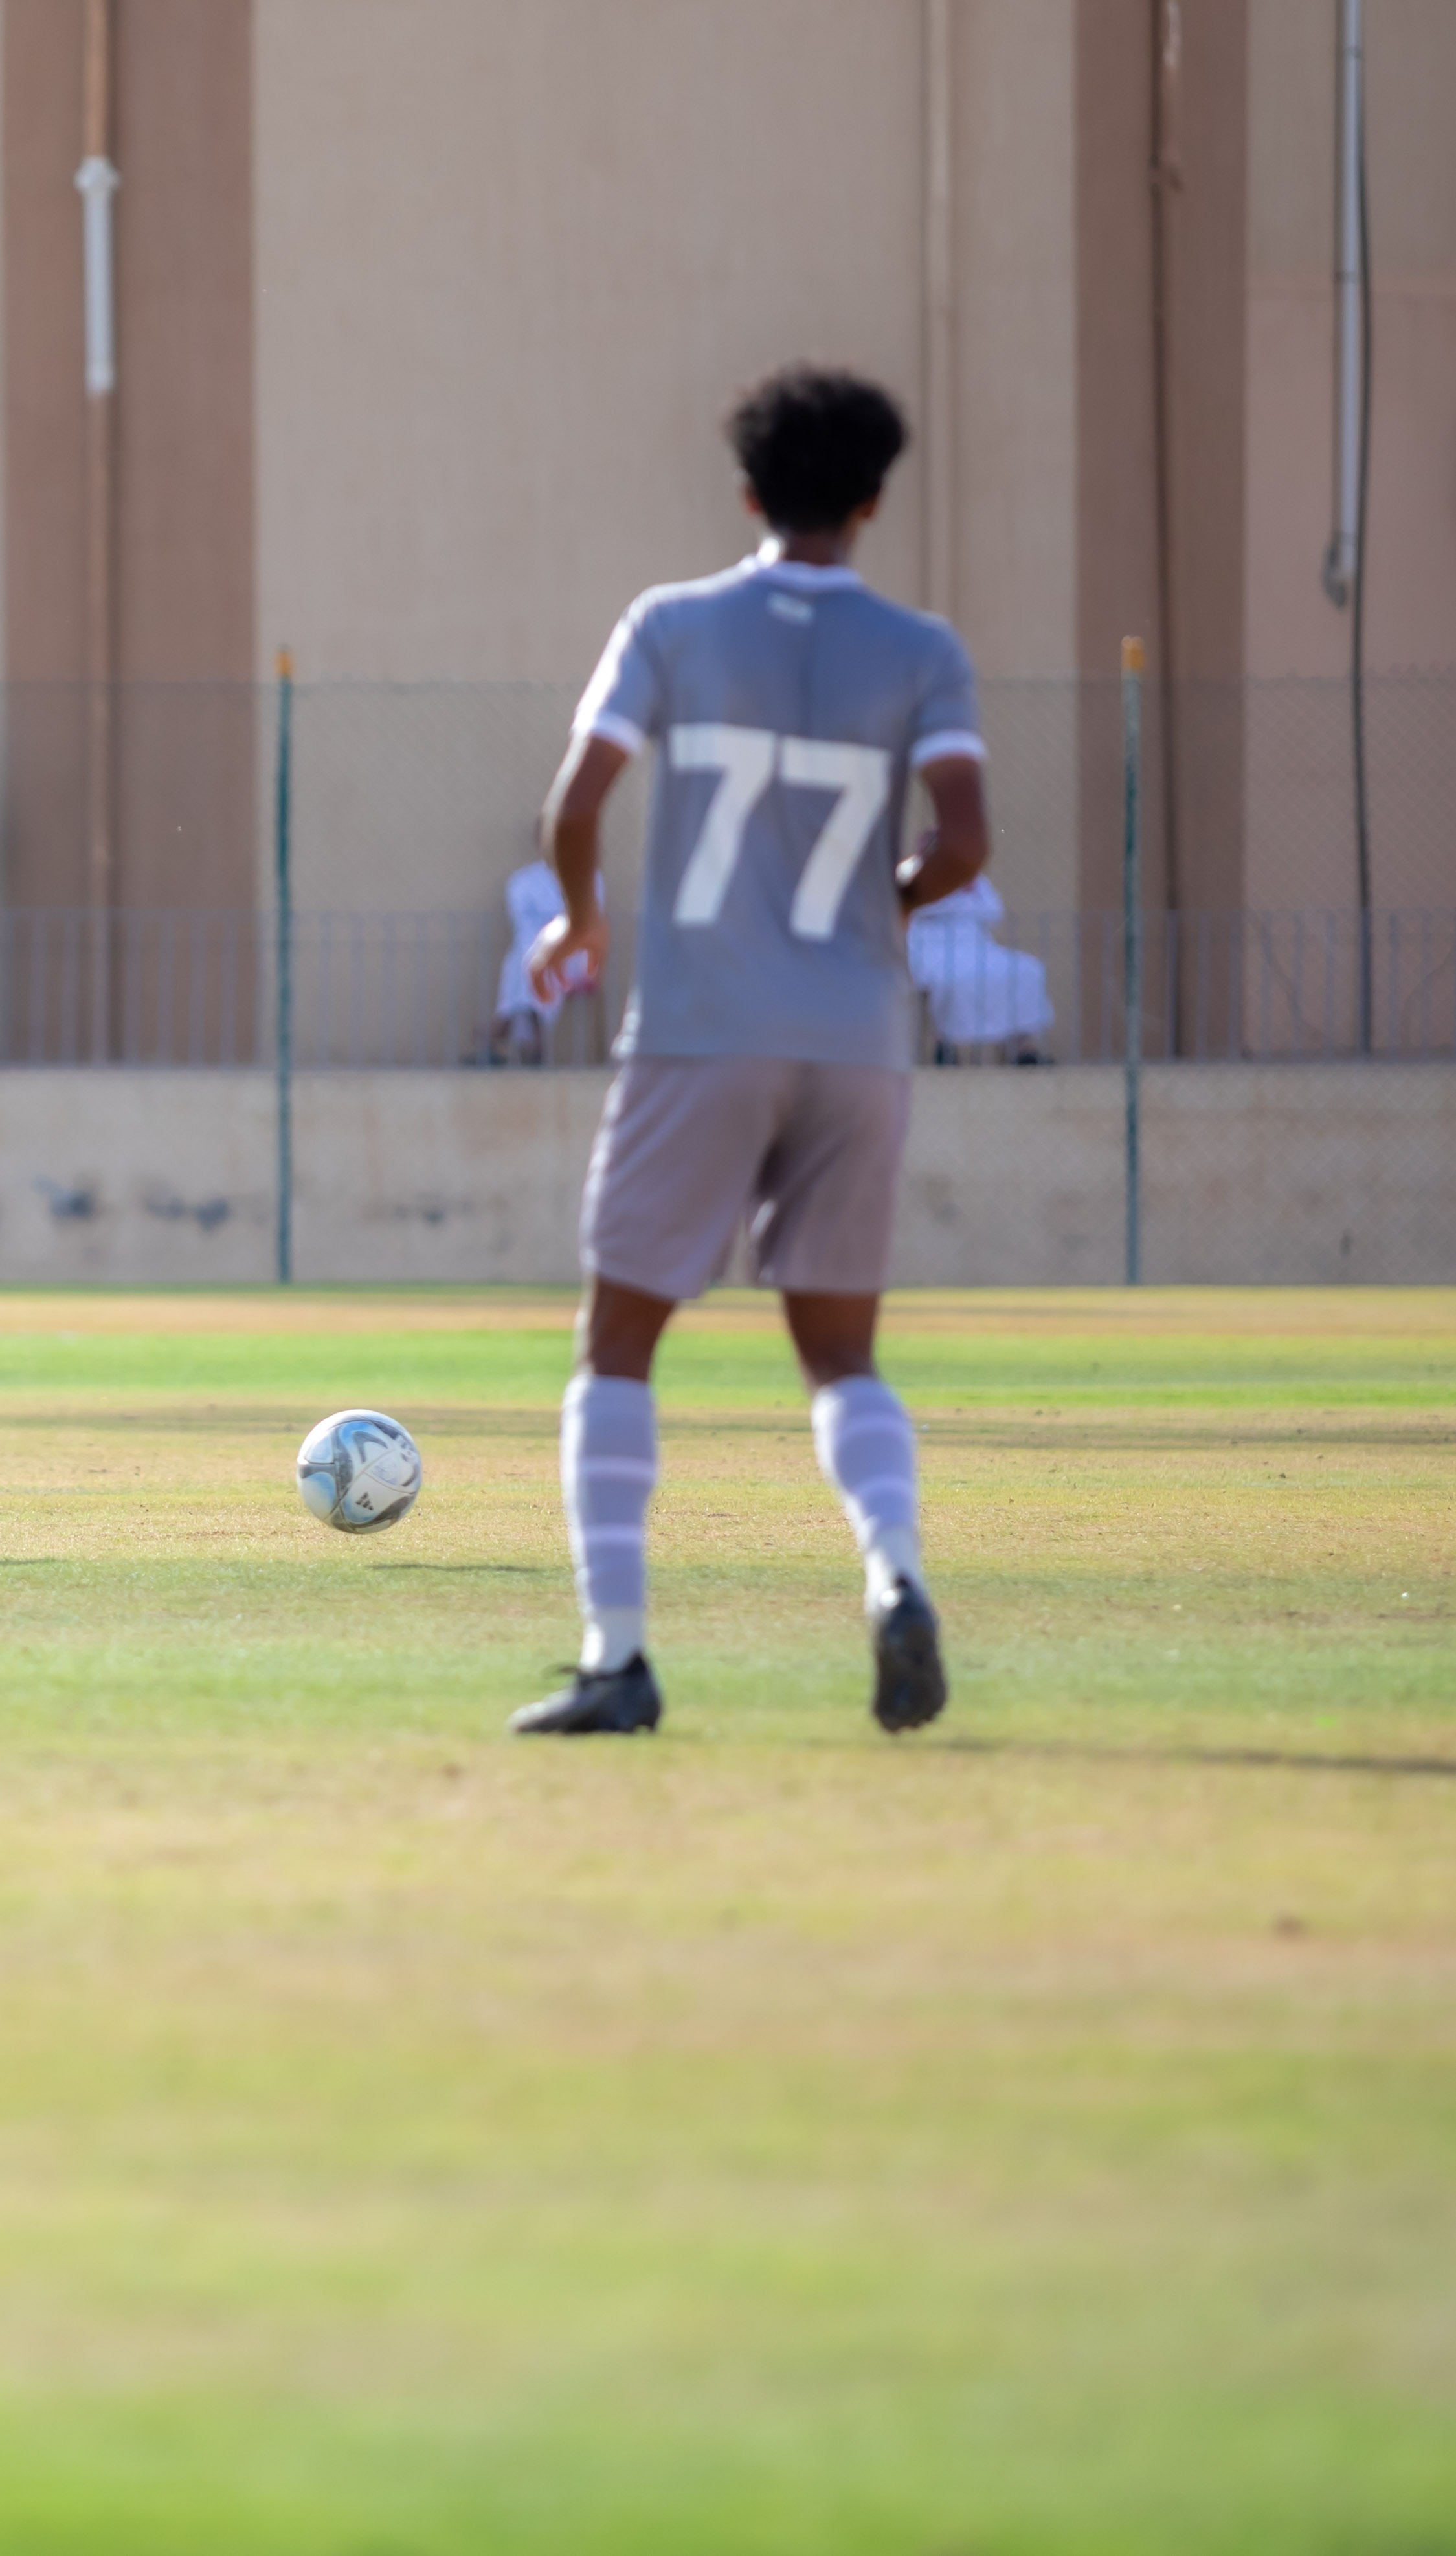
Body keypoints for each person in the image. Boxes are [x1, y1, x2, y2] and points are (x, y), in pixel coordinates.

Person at [513, 363, 990, 1740]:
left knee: (617, 1342)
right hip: (855, 1035)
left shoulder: (671, 624)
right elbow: (962, 839)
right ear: (871, 499)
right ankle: (893, 1573)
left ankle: (618, 1655)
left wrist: (583, 919)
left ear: (745, 492)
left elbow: (577, 798)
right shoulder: (921, 650)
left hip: (703, 1027)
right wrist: (877, 903)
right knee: (840, 1350)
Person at [905, 872, 1053, 1063]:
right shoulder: (913, 873)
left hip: (976, 946)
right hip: (931, 948)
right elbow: (920, 906)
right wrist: (961, 897)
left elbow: (994, 910)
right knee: (950, 980)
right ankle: (946, 1046)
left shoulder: (971, 876)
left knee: (1027, 971)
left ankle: (1022, 1049)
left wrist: (964, 890)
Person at [484, 856, 569, 1065]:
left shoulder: (586, 875)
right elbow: (520, 918)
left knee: (532, 961)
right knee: (523, 962)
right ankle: (533, 1031)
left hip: (568, 950)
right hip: (532, 950)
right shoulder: (525, 879)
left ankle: (504, 1027)